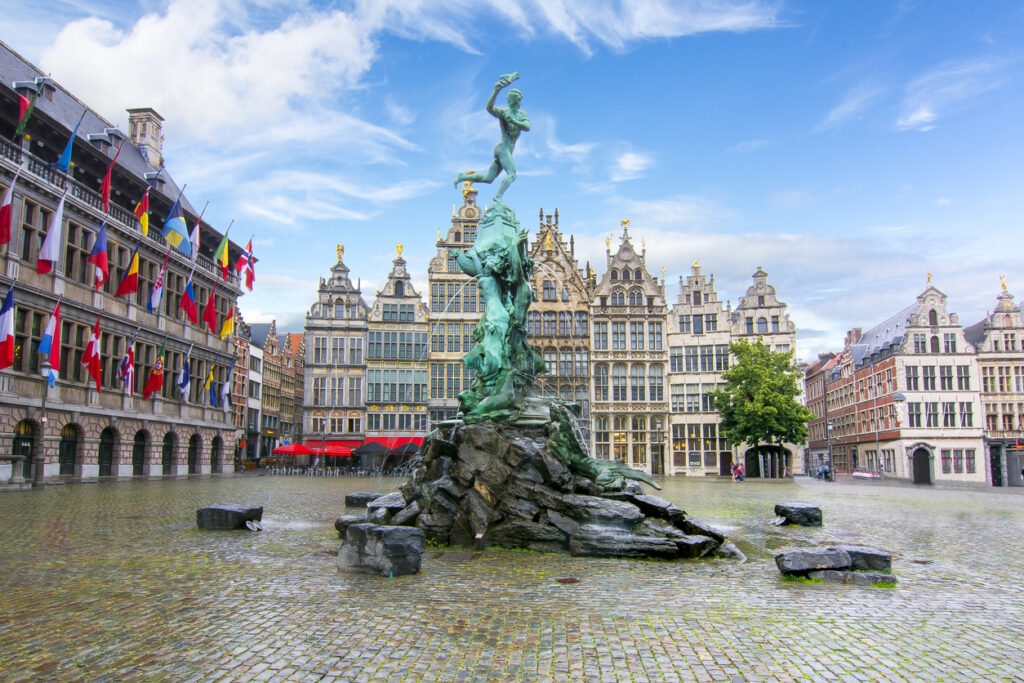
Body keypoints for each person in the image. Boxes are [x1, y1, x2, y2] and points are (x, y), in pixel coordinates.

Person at [454, 72, 530, 202]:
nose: (520, 102)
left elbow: (527, 126)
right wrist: (496, 91)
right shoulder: (503, 113)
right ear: (516, 100)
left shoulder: (521, 115)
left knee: (488, 178)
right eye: (519, 99)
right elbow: (489, 108)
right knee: (512, 174)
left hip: (506, 150)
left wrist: (513, 120)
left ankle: (462, 177)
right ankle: (498, 196)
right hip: (502, 148)